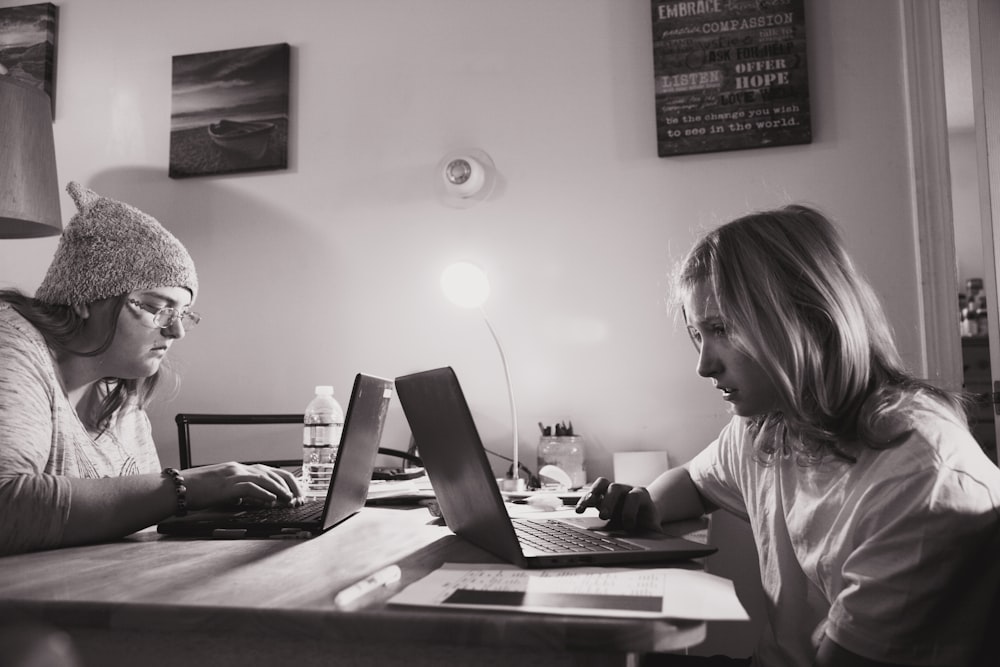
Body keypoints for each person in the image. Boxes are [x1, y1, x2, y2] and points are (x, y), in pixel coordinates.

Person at [576, 205, 1000, 667]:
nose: (704, 365)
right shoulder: (773, 421)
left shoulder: (918, 476)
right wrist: (645, 503)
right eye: (698, 334)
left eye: (722, 328)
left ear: (808, 317)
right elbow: (694, 482)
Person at [0, 182, 301, 556]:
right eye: (159, 308)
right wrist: (188, 487)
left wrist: (214, 505)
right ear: (84, 298)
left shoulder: (118, 390)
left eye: (183, 315)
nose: (175, 331)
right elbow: (6, 505)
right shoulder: (10, 342)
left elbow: (140, 519)